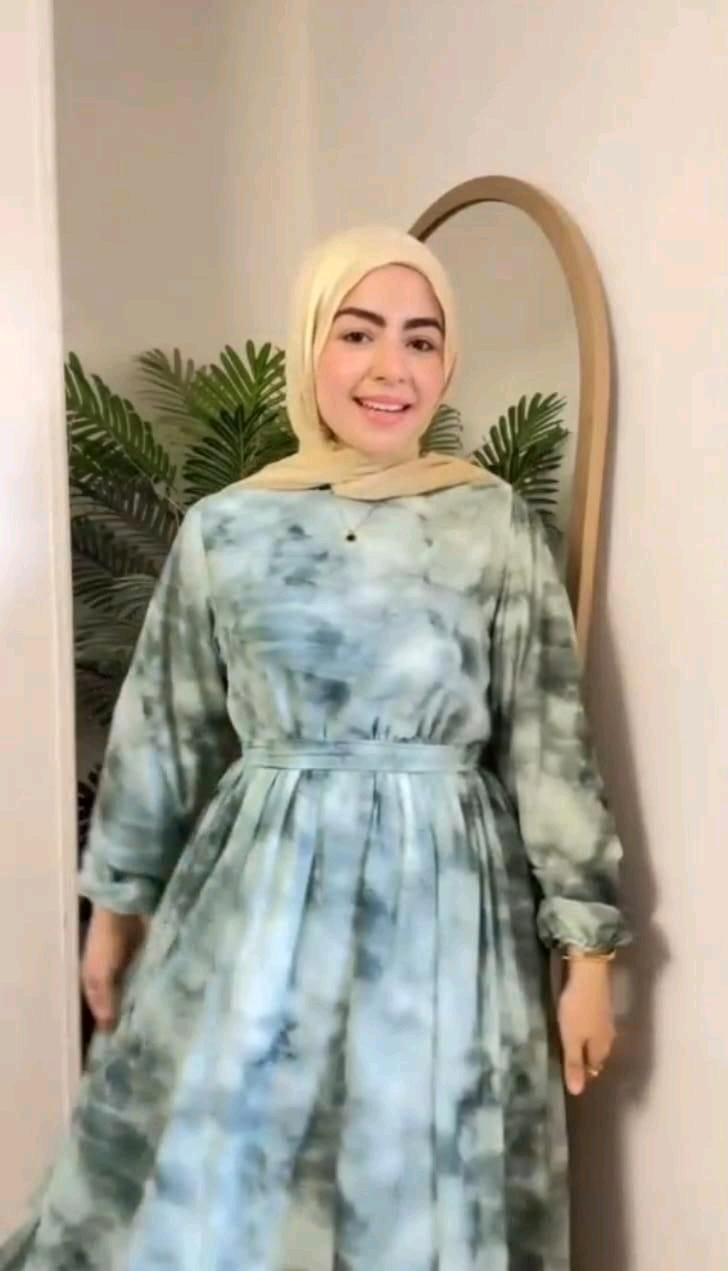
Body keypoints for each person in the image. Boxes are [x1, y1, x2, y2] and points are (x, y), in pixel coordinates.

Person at [1, 226, 629, 1270]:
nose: (391, 368)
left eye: (421, 340)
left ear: (448, 363)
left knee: (409, 1175)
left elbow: (549, 740)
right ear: (309, 348)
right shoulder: (226, 530)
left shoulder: (492, 526)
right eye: (358, 333)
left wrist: (588, 951)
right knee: (234, 1176)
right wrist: (114, 910)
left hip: (440, 912)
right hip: (259, 901)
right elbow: (166, 726)